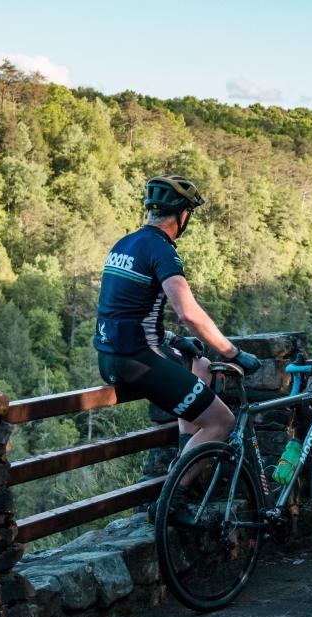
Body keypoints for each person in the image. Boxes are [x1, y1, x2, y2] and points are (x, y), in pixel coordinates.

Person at [93, 174, 261, 463]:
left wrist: (173, 340)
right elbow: (189, 314)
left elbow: (125, 313)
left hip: (109, 358)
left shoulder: (124, 244)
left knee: (202, 365)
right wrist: (235, 354)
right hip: (139, 362)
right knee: (223, 421)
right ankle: (175, 497)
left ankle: (189, 452)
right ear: (183, 215)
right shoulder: (162, 250)